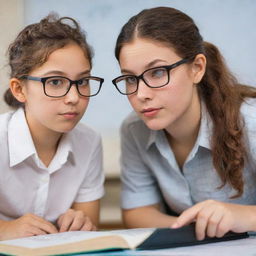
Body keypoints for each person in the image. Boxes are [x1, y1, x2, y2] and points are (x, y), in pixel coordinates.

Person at [112, 6, 256, 240]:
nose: (141, 94)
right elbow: (137, 213)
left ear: (197, 68)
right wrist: (200, 224)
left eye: (157, 73)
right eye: (130, 78)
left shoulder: (250, 121)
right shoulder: (134, 129)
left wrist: (245, 216)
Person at [0, 14, 105, 240]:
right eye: (55, 82)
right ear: (19, 90)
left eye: (83, 81)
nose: (74, 97)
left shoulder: (90, 141)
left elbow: (89, 223)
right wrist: (6, 230)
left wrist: (82, 222)